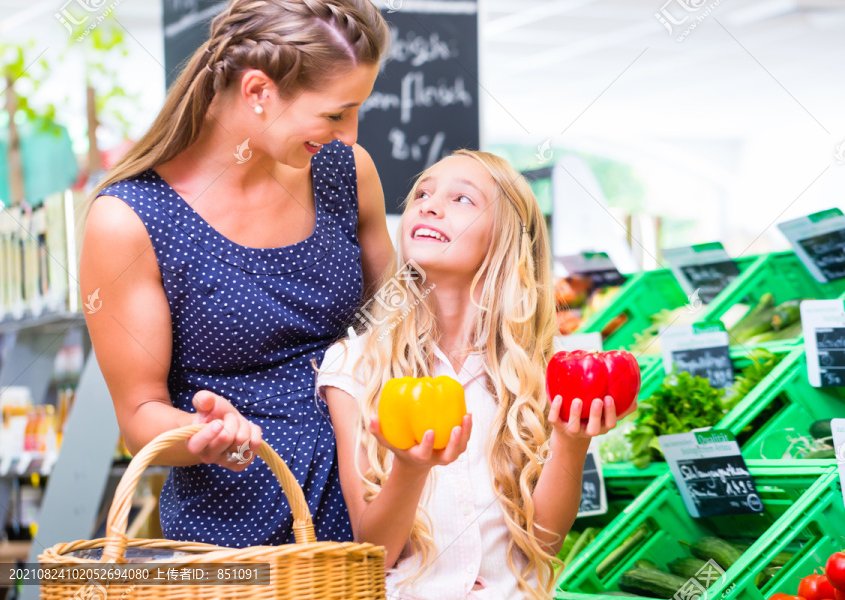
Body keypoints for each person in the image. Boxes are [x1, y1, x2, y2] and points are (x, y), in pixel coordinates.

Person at [79, 0, 393, 548]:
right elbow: (138, 415)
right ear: (257, 92)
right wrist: (208, 435)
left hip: (375, 514)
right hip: (236, 536)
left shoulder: (346, 172)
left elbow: (401, 321)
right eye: (336, 113)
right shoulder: (129, 221)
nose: (350, 134)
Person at [315, 150, 635, 599]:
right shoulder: (357, 364)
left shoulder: (538, 370)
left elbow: (543, 543)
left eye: (461, 199)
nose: (428, 204)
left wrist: (571, 441)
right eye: (422, 193)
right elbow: (373, 554)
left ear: (505, 238)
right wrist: (409, 470)